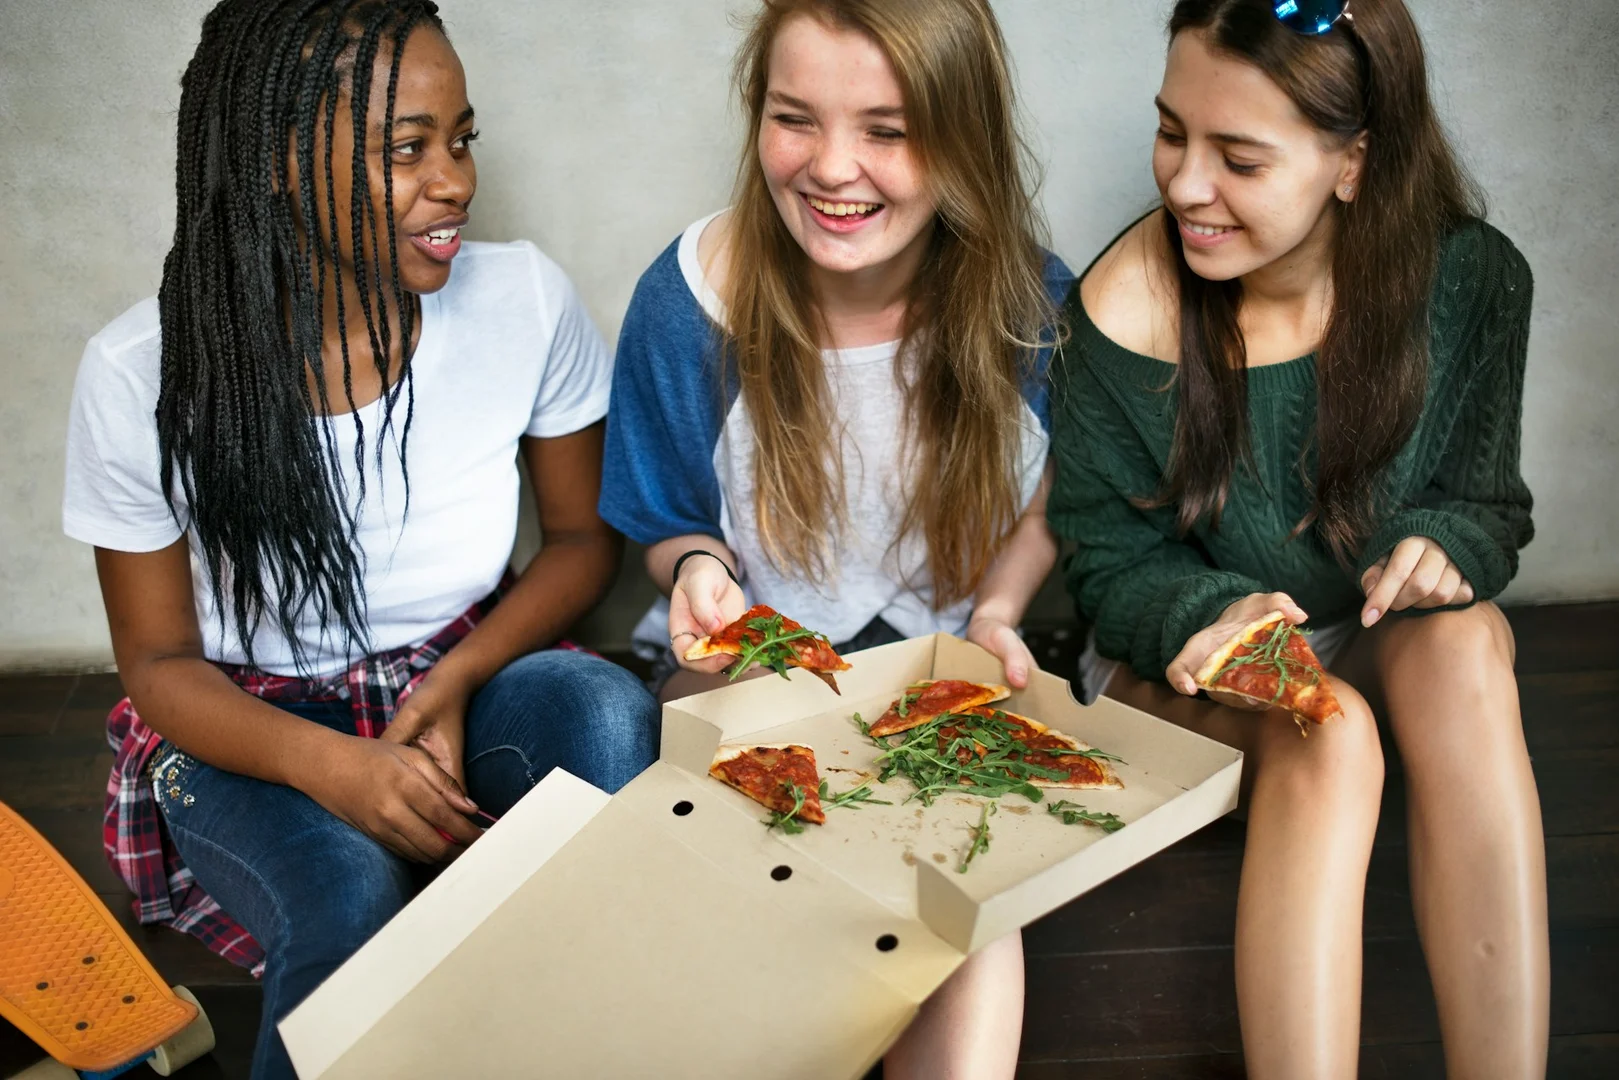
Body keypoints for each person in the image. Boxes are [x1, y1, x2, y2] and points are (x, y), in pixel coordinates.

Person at [62, 3, 657, 1075]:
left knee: (609, 715)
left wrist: (466, 676)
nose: (456, 182)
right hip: (244, 730)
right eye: (407, 149)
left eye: (462, 140)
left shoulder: (523, 299)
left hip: (457, 672)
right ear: (282, 163)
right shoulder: (138, 373)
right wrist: (330, 767)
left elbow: (579, 542)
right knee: (344, 898)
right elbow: (156, 664)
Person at [1048, 1, 1546, 1076]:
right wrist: (1206, 612)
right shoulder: (1119, 309)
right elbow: (1101, 560)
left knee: (1461, 645)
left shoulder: (1473, 282)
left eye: (1236, 156)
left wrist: (1438, 541)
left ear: (1352, 164)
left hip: (1361, 626)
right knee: (1330, 730)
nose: (1182, 183)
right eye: (1169, 131)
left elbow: (1487, 504)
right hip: (1173, 655)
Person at [599, 1, 1069, 1074]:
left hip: (934, 693)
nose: (831, 167)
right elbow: (667, 522)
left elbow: (1057, 499)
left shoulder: (1035, 306)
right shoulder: (684, 304)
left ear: (963, 138)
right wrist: (703, 574)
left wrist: (994, 613)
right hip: (735, 686)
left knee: (967, 913)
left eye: (887, 130)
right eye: (792, 118)